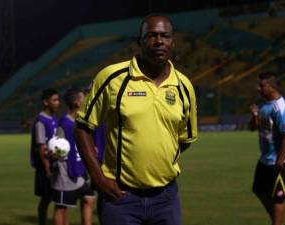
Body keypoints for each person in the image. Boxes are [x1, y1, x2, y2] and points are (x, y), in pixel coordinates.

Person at [74, 13, 198, 225]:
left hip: (166, 198)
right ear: (139, 41)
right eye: (151, 35)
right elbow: (82, 127)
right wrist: (98, 178)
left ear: (173, 41)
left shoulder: (184, 86)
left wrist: (159, 158)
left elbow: (184, 139)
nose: (158, 41)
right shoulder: (112, 77)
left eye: (164, 36)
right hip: (121, 197)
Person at [249, 72, 285, 225]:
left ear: (272, 87)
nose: (258, 89)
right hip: (265, 159)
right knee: (259, 190)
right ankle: (276, 220)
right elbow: (252, 128)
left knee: (278, 197)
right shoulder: (262, 104)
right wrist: (255, 116)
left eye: (262, 86)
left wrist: (280, 162)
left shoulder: (280, 108)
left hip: (279, 160)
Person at [51, 88, 96, 225]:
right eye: (84, 98)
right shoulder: (64, 124)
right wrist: (55, 151)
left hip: (80, 171)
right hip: (66, 173)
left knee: (89, 198)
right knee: (62, 208)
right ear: (77, 103)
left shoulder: (80, 121)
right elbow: (57, 148)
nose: (86, 101)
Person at [30, 88, 60, 225]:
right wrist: (48, 171)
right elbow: (41, 148)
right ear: (45, 102)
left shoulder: (54, 118)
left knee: (57, 197)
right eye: (54, 100)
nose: (58, 103)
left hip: (55, 165)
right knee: (46, 198)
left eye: (58, 100)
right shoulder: (41, 121)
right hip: (45, 168)